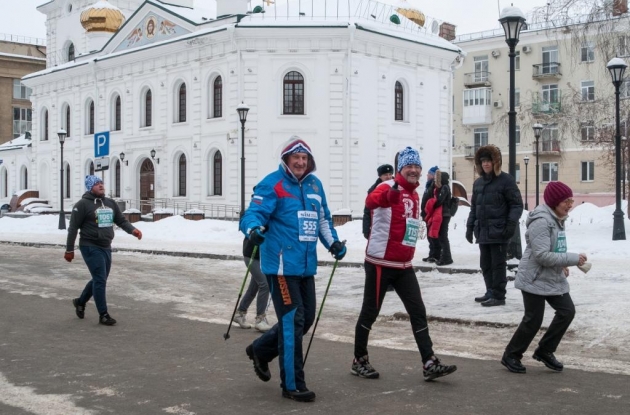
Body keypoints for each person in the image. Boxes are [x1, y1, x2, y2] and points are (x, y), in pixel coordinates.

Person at [239, 136, 347, 403]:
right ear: (286, 160)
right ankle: (292, 384)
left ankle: (261, 350)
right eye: (295, 158)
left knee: (306, 318)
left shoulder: (314, 184)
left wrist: (333, 242)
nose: (300, 162)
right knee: (293, 320)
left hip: (305, 267)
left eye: (304, 158)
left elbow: (323, 219)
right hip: (281, 267)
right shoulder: (272, 184)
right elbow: (252, 214)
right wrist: (253, 230)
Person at [351, 146, 457, 382]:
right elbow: (371, 201)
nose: (414, 170)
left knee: (418, 311)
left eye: (417, 166)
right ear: (400, 168)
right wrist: (389, 197)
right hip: (380, 262)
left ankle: (429, 362)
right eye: (409, 166)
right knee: (370, 312)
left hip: (403, 265)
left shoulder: (415, 193)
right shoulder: (386, 186)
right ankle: (359, 359)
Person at [502, 181, 586, 374]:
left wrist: (563, 263)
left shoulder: (557, 219)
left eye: (571, 200)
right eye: (567, 200)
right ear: (556, 201)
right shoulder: (542, 220)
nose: (570, 204)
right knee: (533, 320)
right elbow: (542, 255)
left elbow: (554, 248)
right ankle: (511, 355)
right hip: (534, 277)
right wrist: (573, 259)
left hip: (551, 276)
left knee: (567, 311)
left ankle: (545, 350)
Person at [65, 175, 142, 326]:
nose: (101, 185)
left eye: (101, 183)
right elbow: (73, 228)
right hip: (89, 246)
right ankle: (103, 314)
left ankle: (80, 302)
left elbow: (121, 220)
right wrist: (69, 249)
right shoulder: (82, 205)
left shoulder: (109, 203)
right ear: (90, 187)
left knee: (99, 279)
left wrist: (133, 230)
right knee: (100, 279)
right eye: (96, 184)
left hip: (106, 245)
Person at [466, 145, 523, 307]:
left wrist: (511, 224)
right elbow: (474, 208)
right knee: (485, 264)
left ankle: (499, 295)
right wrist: (470, 227)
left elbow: (516, 205)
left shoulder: (506, 180)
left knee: (498, 265)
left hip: (499, 231)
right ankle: (490, 291)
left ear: (495, 162)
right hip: (483, 231)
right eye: (483, 161)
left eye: (489, 160)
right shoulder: (478, 183)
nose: (486, 164)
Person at [232, 234, 271, 332]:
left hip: (264, 256)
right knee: (265, 285)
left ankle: (240, 313)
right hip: (252, 254)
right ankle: (260, 319)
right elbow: (248, 226)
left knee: (255, 286)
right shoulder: (258, 218)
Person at [362, 164, 394, 239]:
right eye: (385, 175)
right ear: (380, 176)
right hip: (379, 227)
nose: (388, 177)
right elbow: (367, 211)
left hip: (393, 226)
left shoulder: (397, 186)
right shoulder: (373, 190)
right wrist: (366, 230)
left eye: (390, 174)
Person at [421, 166, 440, 262]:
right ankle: (431, 254)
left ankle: (435, 255)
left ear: (432, 175)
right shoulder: (428, 185)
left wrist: (427, 212)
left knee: (433, 235)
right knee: (429, 235)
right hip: (427, 213)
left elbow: (432, 200)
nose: (427, 175)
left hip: (430, 214)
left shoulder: (433, 185)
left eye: (429, 174)